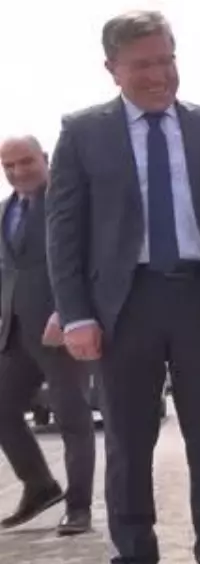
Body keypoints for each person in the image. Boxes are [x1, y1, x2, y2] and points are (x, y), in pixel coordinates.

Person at [45, 10, 200, 564]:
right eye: (142, 64)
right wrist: (74, 314)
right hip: (124, 305)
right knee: (127, 441)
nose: (158, 74)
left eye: (166, 59)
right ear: (112, 69)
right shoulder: (82, 133)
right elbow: (63, 232)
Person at [0, 136, 96, 537]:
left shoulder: (70, 200)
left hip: (60, 328)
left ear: (46, 158)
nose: (19, 171)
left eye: (27, 162)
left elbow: (89, 258)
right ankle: (40, 486)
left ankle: (78, 507)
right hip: (15, 332)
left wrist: (69, 312)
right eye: (9, 166)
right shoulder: (5, 211)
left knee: (72, 416)